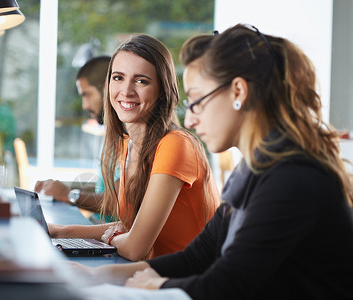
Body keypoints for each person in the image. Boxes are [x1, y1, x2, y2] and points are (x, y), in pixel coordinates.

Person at [72, 24, 353, 299]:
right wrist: (92, 276)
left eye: (197, 100)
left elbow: (228, 286)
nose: (191, 119)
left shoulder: (293, 178)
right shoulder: (254, 170)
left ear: (239, 93)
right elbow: (196, 258)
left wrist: (154, 286)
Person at [48, 33, 220, 261]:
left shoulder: (176, 145)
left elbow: (133, 246)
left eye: (141, 81)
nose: (126, 91)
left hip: (186, 286)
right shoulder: (128, 145)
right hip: (150, 274)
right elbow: (129, 227)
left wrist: (112, 238)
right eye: (118, 78)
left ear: (163, 90)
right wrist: (60, 231)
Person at [35, 56, 113, 212]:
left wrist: (69, 194)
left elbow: (116, 203)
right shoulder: (112, 135)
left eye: (87, 95)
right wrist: (62, 189)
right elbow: (104, 191)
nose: (84, 105)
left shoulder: (132, 136)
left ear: (107, 89)